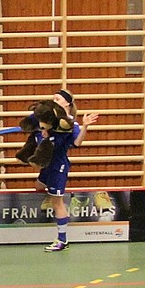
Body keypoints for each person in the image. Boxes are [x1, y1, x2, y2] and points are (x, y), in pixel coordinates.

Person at [25, 90, 99, 252]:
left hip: (58, 166)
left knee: (57, 202)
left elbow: (77, 143)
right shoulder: (49, 117)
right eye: (53, 98)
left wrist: (85, 126)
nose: (54, 100)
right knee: (38, 186)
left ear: (67, 103)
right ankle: (53, 201)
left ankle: (62, 239)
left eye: (58, 99)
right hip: (47, 165)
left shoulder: (70, 123)